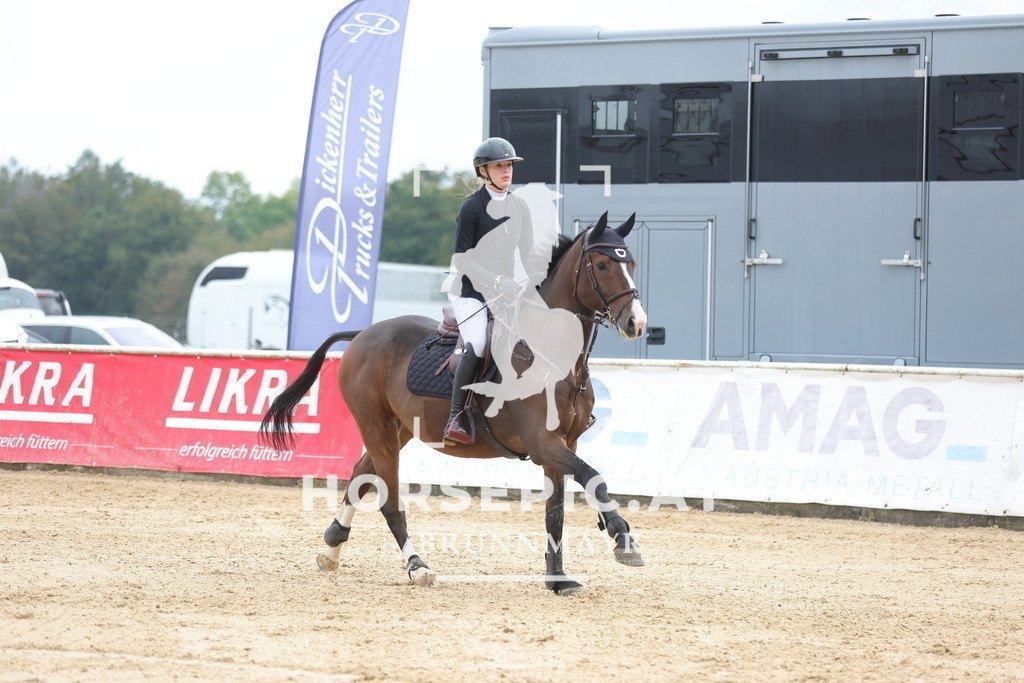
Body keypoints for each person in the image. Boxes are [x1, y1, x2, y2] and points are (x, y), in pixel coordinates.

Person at [443, 137, 533, 446]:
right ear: (483, 171)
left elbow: (529, 254)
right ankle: (456, 415)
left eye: (509, 165)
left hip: (507, 294)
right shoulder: (471, 208)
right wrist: (496, 282)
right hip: (471, 294)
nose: (506, 171)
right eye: (499, 166)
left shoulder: (520, 207)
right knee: (480, 341)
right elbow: (462, 259)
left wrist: (533, 281)